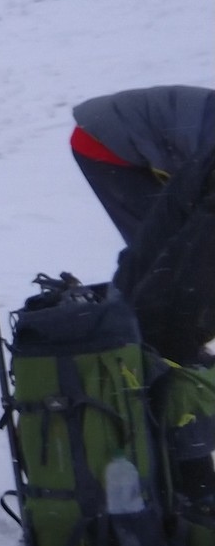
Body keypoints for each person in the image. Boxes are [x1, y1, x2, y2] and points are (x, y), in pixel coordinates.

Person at [71, 87, 215, 366]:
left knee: (163, 248)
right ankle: (121, 340)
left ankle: (130, 331)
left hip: (122, 131)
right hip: (104, 143)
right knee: (160, 252)